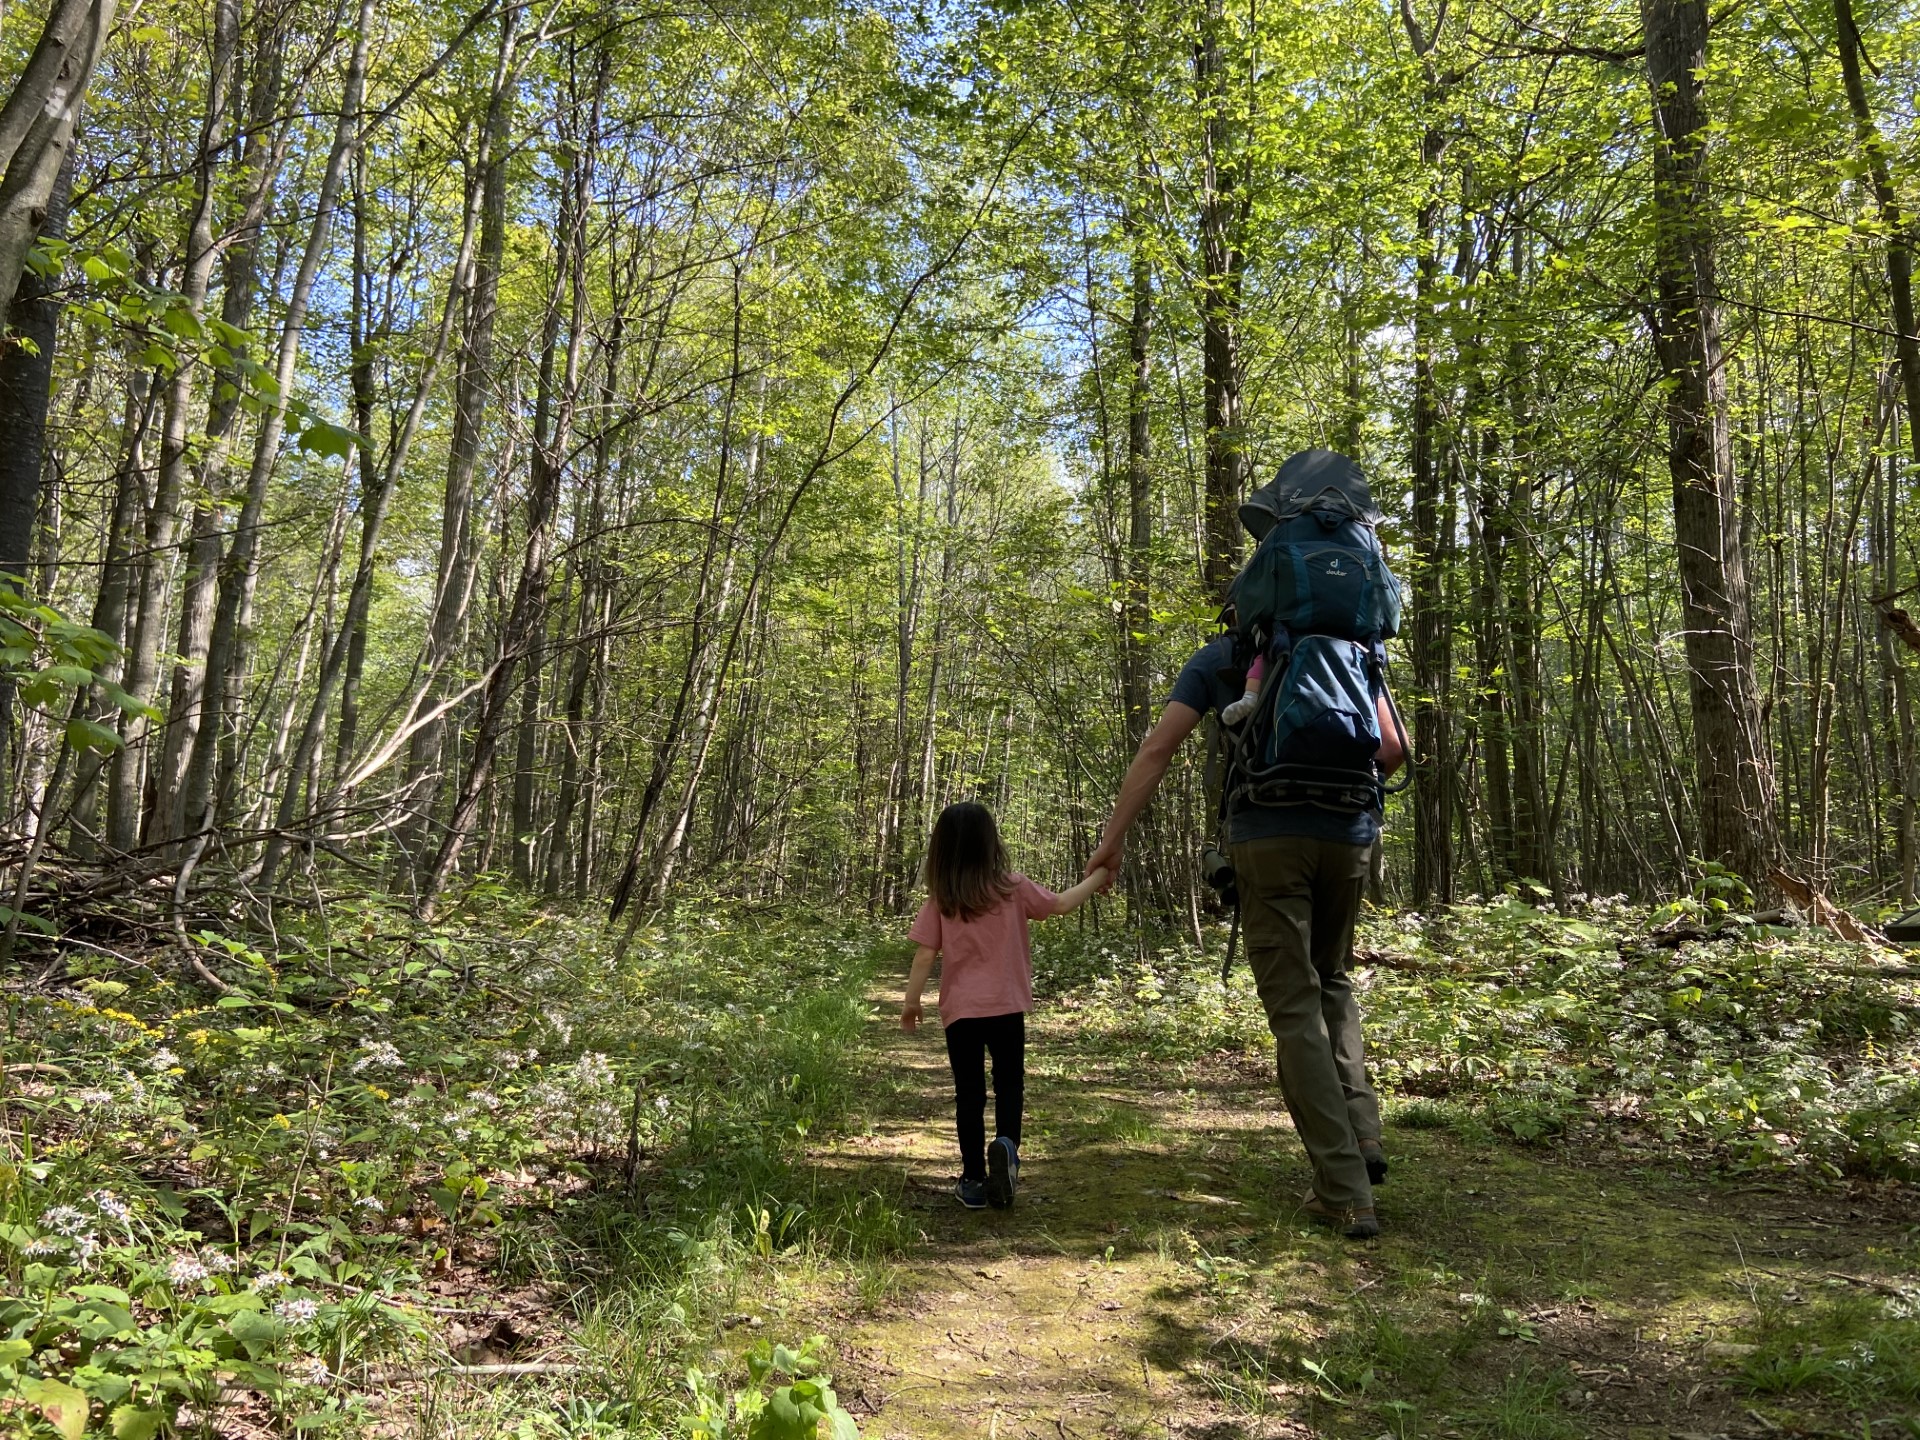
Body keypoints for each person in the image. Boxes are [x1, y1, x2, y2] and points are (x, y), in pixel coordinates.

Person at [1085, 450, 1405, 1241]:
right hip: (1351, 828)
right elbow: (1395, 752)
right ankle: (1363, 1135)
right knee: (1333, 980)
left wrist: (1111, 845)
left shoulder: (1224, 660)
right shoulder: (1362, 652)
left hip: (1267, 832)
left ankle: (1343, 1189)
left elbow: (1155, 752)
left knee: (1293, 1003)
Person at [902, 801, 1110, 1210]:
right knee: (1010, 1083)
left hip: (961, 1013)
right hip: (1007, 1008)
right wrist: (1099, 875)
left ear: (942, 850)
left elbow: (925, 955)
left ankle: (974, 1179)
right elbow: (1061, 905)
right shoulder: (1013, 888)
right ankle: (1007, 1150)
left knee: (969, 1094)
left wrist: (911, 1002)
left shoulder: (943, 899)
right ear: (990, 843)